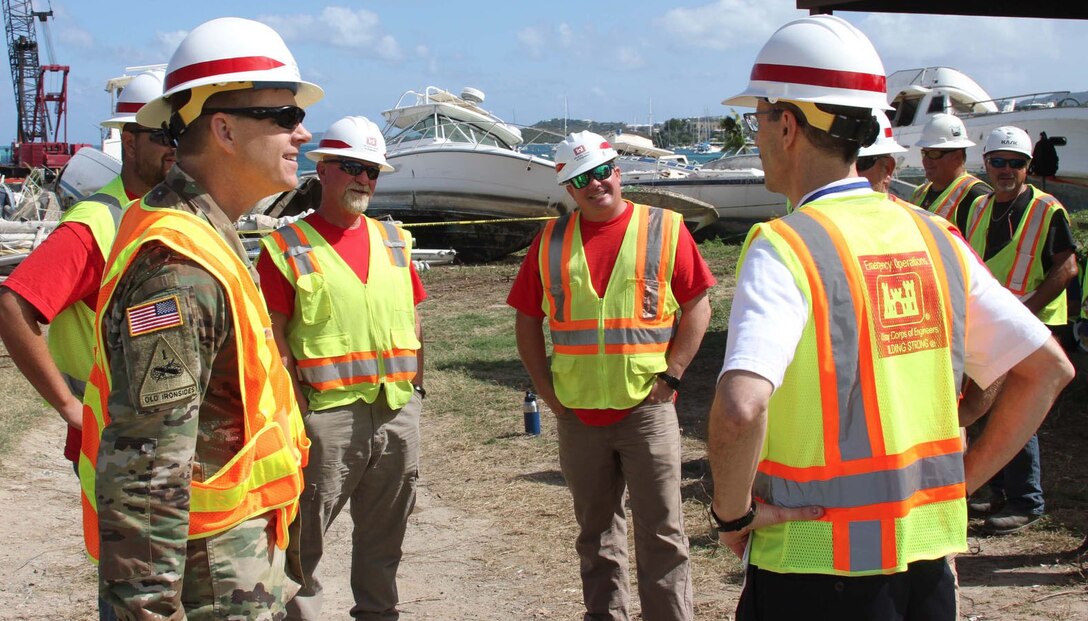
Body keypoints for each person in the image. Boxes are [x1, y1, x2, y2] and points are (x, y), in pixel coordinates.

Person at [708, 15, 1073, 620]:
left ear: (789, 124)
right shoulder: (936, 237)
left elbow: (741, 406)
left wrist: (731, 514)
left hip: (811, 564)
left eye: (759, 119)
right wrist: (959, 483)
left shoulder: (786, 244)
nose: (758, 135)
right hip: (925, 565)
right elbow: (1046, 371)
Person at [77, 17, 319, 619]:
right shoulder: (177, 268)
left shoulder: (208, 235)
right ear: (225, 129)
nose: (303, 133)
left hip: (231, 565)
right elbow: (147, 474)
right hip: (206, 581)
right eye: (285, 117)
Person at [508, 130, 714, 621]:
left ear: (617, 172)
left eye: (602, 172)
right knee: (596, 535)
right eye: (581, 179)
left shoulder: (664, 228)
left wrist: (674, 375)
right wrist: (545, 389)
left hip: (648, 408)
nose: (595, 184)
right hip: (579, 414)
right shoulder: (551, 240)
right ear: (568, 188)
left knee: (663, 533)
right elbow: (526, 317)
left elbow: (697, 304)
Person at [0, 67, 170, 621]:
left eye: (181, 134)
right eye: (162, 135)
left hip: (173, 439)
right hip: (121, 445)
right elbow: (14, 305)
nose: (175, 148)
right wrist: (70, 407)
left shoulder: (176, 213)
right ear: (129, 139)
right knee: (136, 593)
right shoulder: (97, 222)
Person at [256, 116, 426, 621]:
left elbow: (415, 321)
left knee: (384, 541)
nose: (364, 180)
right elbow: (275, 341)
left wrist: (418, 391)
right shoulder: (286, 247)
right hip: (326, 420)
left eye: (372, 171)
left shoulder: (397, 241)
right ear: (322, 169)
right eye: (352, 167)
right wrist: (295, 412)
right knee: (302, 545)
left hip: (396, 411)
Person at [961, 126, 1079, 535]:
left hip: (1032, 325)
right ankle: (998, 490)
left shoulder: (1048, 210)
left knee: (1016, 407)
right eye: (999, 162)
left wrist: (1024, 313)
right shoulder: (978, 208)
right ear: (987, 164)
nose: (1006, 170)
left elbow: (1067, 267)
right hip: (993, 327)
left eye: (1016, 164)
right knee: (984, 407)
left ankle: (1026, 500)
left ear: (1028, 167)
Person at [911, 113, 991, 232]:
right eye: (924, 153)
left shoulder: (978, 196)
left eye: (934, 154)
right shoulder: (919, 193)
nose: (926, 160)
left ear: (957, 157)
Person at [856, 109, 908, 199]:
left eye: (859, 164)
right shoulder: (825, 211)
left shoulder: (909, 213)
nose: (848, 174)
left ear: (888, 168)